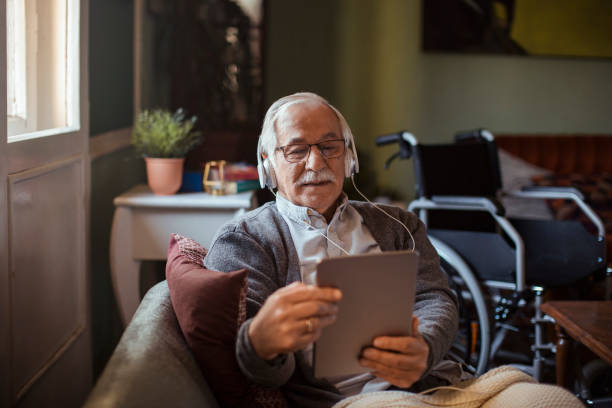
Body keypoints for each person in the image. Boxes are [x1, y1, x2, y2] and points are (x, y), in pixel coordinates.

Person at [204, 92, 461, 407]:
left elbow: (435, 298)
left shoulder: (398, 225)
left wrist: (425, 346)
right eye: (297, 150)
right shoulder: (243, 241)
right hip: (345, 403)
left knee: (538, 396)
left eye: (329, 147)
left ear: (348, 157)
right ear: (268, 164)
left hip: (432, 388)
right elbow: (243, 361)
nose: (316, 162)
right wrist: (260, 343)